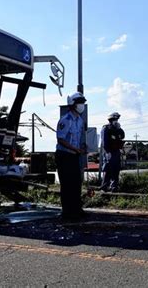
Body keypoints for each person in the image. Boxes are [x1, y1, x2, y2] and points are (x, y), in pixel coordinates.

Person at [55, 92, 87, 220]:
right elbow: (60, 139)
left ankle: (77, 209)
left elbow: (79, 138)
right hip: (64, 155)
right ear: (73, 104)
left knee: (76, 183)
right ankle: (67, 212)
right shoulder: (65, 120)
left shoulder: (80, 120)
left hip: (74, 155)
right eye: (79, 102)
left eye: (82, 102)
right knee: (67, 184)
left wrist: (82, 148)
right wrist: (76, 149)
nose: (82, 105)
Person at [100, 112, 125, 192]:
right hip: (109, 152)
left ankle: (114, 186)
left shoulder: (117, 128)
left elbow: (122, 136)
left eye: (117, 119)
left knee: (116, 169)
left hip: (116, 151)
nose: (116, 121)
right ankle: (104, 186)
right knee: (108, 169)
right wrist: (107, 152)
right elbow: (104, 141)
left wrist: (119, 128)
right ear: (110, 120)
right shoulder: (106, 128)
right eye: (115, 119)